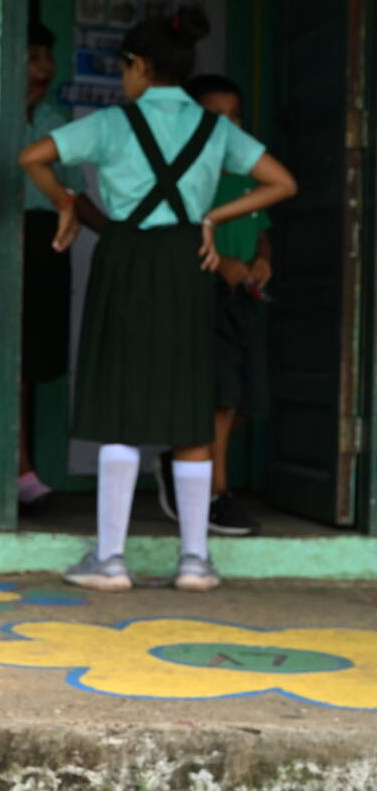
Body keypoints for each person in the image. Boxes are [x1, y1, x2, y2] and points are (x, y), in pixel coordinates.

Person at [19, 8, 296, 593]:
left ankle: (111, 559)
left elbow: (32, 157)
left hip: (125, 259)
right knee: (190, 398)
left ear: (138, 66)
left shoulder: (114, 124)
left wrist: (67, 204)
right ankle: (196, 559)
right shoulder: (215, 130)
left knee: (121, 397)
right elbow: (281, 181)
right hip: (188, 261)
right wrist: (213, 215)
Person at [153, 74, 283, 536]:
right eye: (216, 117)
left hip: (245, 298)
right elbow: (174, 235)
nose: (228, 125)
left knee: (249, 399)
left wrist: (262, 259)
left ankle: (181, 461)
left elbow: (262, 230)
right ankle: (214, 494)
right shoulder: (193, 176)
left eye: (235, 116)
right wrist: (222, 261)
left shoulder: (252, 174)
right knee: (220, 399)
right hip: (204, 295)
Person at [18, 21, 84, 512]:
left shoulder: (58, 121)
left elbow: (74, 197)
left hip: (46, 240)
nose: (43, 68)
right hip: (7, 238)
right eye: (32, 56)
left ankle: (27, 469)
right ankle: (20, 469)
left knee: (38, 358)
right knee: (13, 361)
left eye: (47, 57)